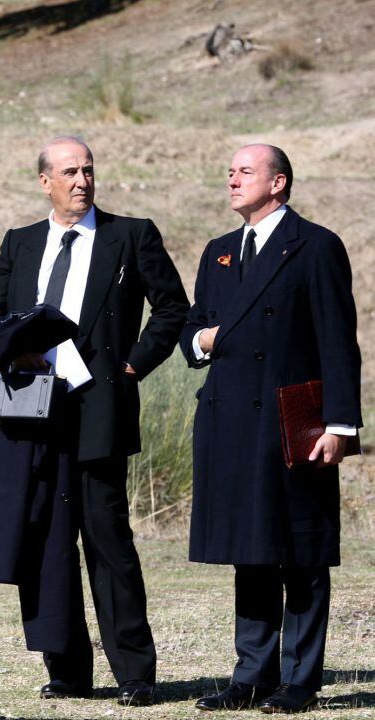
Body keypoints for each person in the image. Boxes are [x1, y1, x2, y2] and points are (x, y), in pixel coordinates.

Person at [0, 136, 189, 706]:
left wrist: (133, 365)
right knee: (45, 544)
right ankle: (67, 671)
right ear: (44, 181)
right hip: (33, 413)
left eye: (88, 170)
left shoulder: (131, 235)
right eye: (69, 172)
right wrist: (11, 351)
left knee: (108, 542)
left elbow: (173, 308)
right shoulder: (20, 243)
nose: (82, 181)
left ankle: (136, 675)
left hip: (99, 409)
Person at [180, 144, 362, 714]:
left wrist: (340, 424)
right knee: (250, 550)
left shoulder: (316, 246)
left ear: (278, 183)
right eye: (229, 170)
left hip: (294, 423)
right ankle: (251, 676)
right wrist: (202, 342)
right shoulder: (218, 253)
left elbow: (338, 341)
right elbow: (192, 330)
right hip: (230, 421)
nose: (232, 179)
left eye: (245, 172)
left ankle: (301, 680)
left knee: (301, 552)